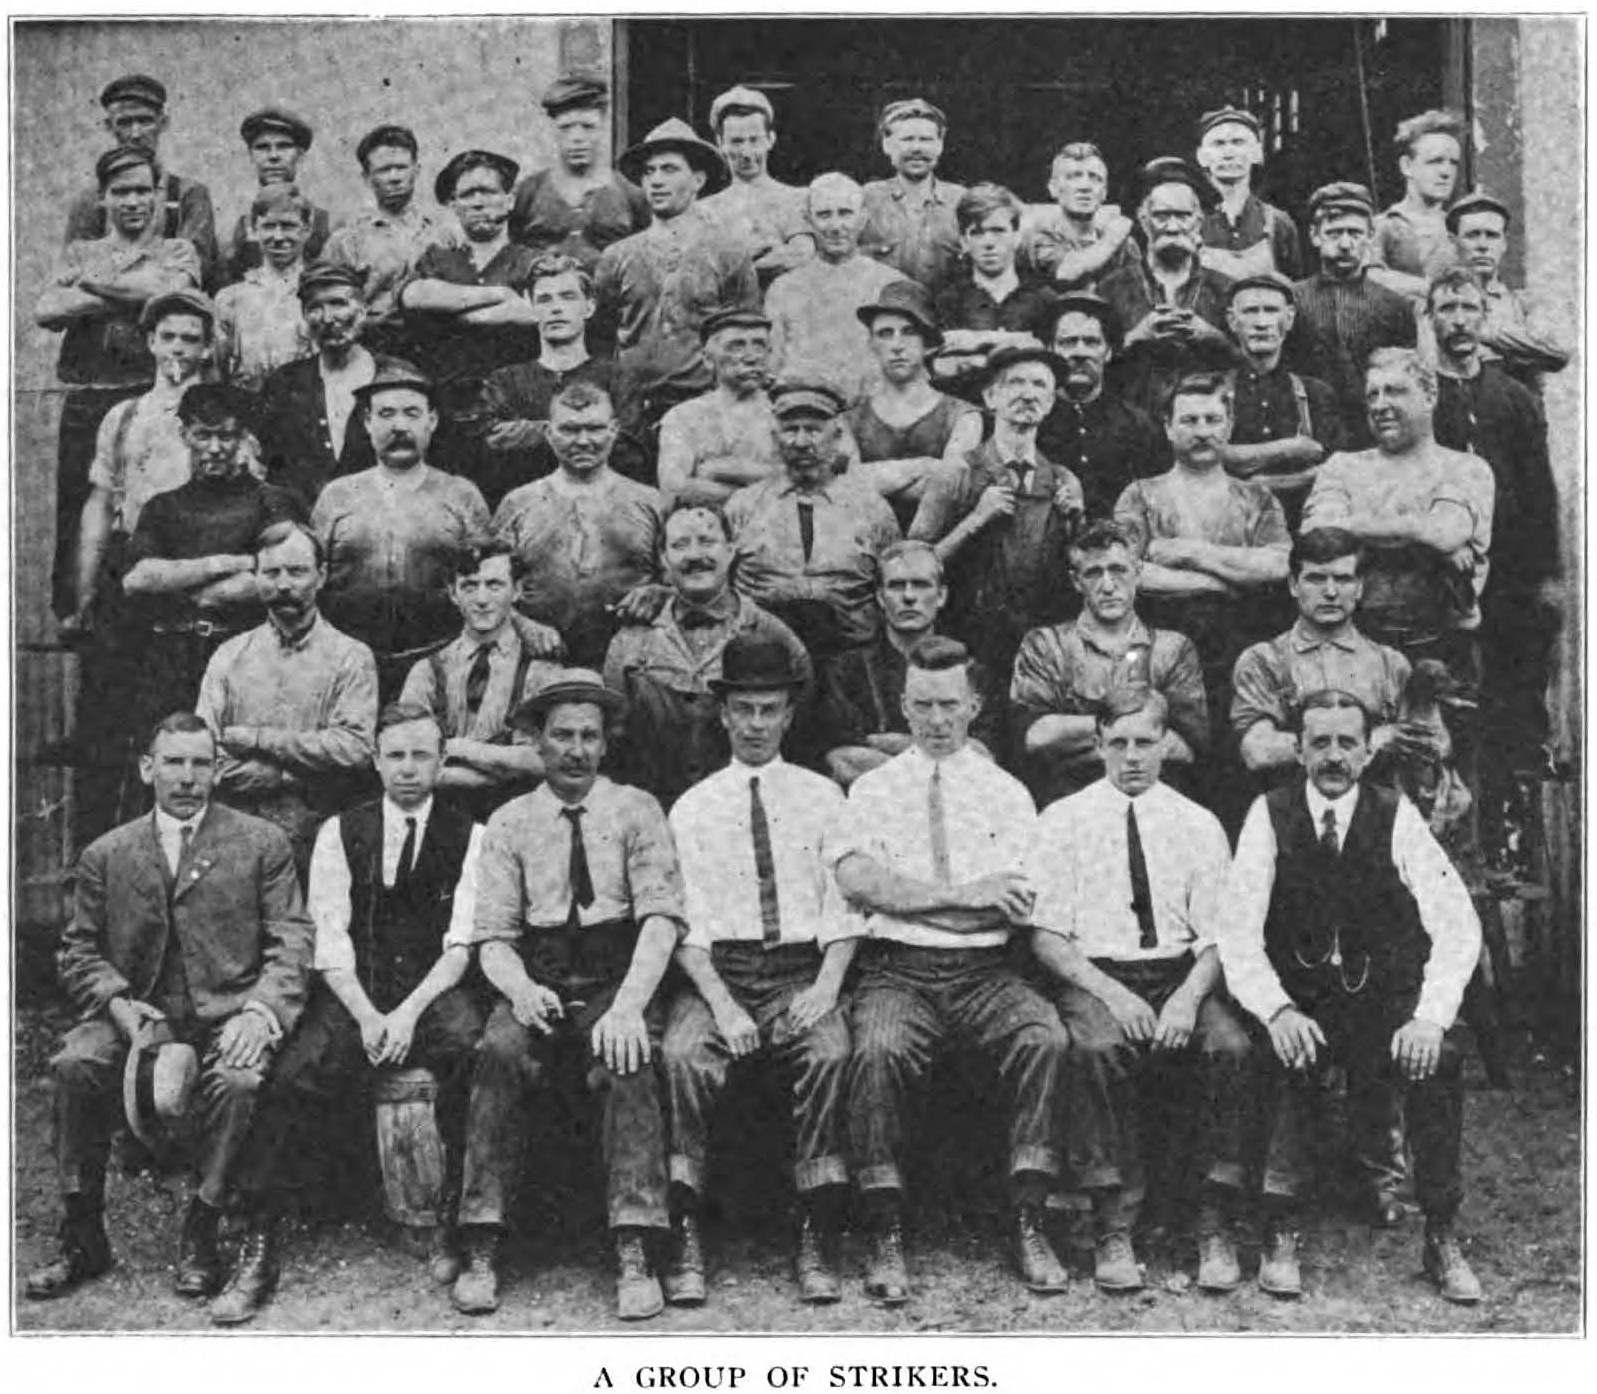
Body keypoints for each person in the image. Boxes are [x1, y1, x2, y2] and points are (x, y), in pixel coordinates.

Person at [24, 713, 312, 1326]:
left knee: (239, 1080)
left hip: (226, 1014)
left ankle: (202, 1227)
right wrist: (118, 1003)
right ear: (147, 769)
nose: (187, 777)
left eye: (200, 763)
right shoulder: (108, 852)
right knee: (75, 1064)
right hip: (138, 1014)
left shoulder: (261, 843)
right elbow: (78, 949)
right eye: (174, 763)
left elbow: (292, 942)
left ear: (217, 770)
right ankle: (82, 1234)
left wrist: (259, 1012)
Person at [1217, 690, 1485, 1305]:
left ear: (1368, 752)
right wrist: (1276, 1009)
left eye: (1347, 743)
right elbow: (1237, 931)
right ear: (1298, 750)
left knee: (1440, 1059)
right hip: (1303, 1001)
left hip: (1381, 1007)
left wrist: (1429, 1018)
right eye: (1320, 742)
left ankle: (1441, 1232)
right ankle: (1282, 1226)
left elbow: (1457, 923)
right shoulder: (1270, 813)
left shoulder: (1396, 814)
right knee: (1283, 1050)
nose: (1334, 756)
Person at [828, 636, 1071, 1303]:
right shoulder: (873, 789)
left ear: (974, 706)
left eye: (949, 705)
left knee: (1044, 1038)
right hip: (897, 969)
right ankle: (884, 1227)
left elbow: (1017, 899)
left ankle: (1029, 1217)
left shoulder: (1006, 793)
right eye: (923, 705)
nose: (936, 720)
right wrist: (963, 896)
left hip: (986, 969)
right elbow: (856, 879)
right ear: (904, 706)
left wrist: (910, 898)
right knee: (876, 1049)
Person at [451, 670, 687, 1320]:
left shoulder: (636, 809)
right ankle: (481, 1241)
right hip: (540, 973)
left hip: (617, 974)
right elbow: (493, 937)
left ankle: (635, 1247)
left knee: (626, 1058)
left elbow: (661, 919)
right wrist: (521, 989)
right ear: (537, 742)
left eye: (588, 736)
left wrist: (629, 1005)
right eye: (561, 736)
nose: (576, 750)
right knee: (500, 1051)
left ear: (605, 743)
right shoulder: (510, 821)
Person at [1027, 692, 1252, 1294]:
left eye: (1145, 743)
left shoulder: (1198, 824)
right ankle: (1113, 1223)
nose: (1131, 756)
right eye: (1118, 743)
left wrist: (1186, 999)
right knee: (1098, 1047)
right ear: (1097, 744)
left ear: (1166, 745)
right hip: (1096, 973)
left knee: (1228, 1047)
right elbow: (1047, 937)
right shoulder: (1063, 820)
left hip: (1179, 973)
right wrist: (1114, 994)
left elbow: (1219, 936)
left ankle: (1211, 1220)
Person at [660, 634, 860, 1306]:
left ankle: (816, 1229)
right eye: (743, 709)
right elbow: (685, 924)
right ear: (722, 715)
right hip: (720, 971)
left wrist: (825, 987)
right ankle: (685, 1231)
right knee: (683, 1054)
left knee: (829, 1051)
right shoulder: (693, 806)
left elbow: (843, 906)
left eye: (768, 709)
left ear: (788, 714)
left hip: (801, 969)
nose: (754, 724)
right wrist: (722, 1004)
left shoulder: (823, 798)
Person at [282, 701, 487, 1281]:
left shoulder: (472, 836)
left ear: (442, 761)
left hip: (434, 989)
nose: (408, 768)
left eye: (421, 755)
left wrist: (407, 1015)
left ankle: (453, 1214)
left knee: (470, 1052)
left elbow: (461, 945)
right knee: (299, 1066)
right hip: (359, 988)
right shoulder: (340, 831)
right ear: (375, 761)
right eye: (395, 755)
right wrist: (370, 1016)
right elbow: (329, 938)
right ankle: (292, 1209)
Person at [1425, 265, 1561, 845]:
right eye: (1447, 309)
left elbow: (1539, 489)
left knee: (1513, 679)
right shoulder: (1423, 394)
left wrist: (1548, 573)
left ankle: (1514, 819)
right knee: (1454, 688)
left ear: (1485, 317)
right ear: (1430, 318)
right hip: (1444, 567)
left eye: (1469, 309)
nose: (1459, 321)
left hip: (1510, 565)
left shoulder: (1514, 398)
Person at [38, 144, 202, 621]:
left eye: (143, 191)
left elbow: (170, 291)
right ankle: (76, 613)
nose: (133, 201)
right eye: (121, 191)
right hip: (89, 398)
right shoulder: (82, 251)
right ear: (103, 198)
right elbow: (47, 310)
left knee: (154, 502)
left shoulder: (176, 250)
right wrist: (130, 295)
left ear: (157, 195)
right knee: (81, 505)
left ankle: (149, 612)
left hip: (149, 396)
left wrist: (91, 286)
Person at [1114, 371, 1290, 776]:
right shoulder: (1140, 495)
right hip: (1158, 649)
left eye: (1212, 420)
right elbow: (1128, 571)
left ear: (1229, 425)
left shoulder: (1257, 497)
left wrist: (1188, 552)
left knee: (1235, 765)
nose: (1202, 431)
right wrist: (1222, 580)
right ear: (1167, 427)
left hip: (1242, 647)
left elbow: (1278, 564)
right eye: (1189, 420)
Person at [120, 383, 305, 740]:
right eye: (203, 435)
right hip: (170, 661)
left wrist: (182, 582)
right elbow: (139, 578)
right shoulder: (163, 507)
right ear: (184, 434)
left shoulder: (275, 502)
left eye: (227, 436)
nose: (215, 448)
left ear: (243, 437)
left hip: (249, 661)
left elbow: (279, 580)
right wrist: (228, 563)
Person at [195, 521, 379, 874]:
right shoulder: (229, 656)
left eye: (296, 572)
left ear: (321, 576)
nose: (283, 585)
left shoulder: (351, 657)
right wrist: (277, 774)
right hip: (236, 836)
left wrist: (261, 741)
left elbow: (355, 747)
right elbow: (204, 750)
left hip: (322, 837)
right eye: (271, 573)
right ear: (256, 577)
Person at [604, 498, 813, 808]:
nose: (694, 555)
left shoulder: (775, 636)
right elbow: (615, 739)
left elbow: (800, 730)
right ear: (663, 559)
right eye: (680, 545)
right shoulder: (630, 641)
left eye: (706, 541)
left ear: (731, 550)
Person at [1300, 349, 1494, 680]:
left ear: (1430, 396)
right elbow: (1318, 534)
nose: (1379, 405)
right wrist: (1418, 531)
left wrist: (1357, 532)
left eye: (1394, 391)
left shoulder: (1466, 468)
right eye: (1372, 395)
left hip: (1441, 651)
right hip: (1352, 648)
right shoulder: (1343, 466)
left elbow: (1444, 533)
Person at [909, 343, 1085, 707]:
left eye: (1039, 385)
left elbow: (1078, 575)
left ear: (1051, 402)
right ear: (991, 397)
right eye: (1016, 382)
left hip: (1037, 653)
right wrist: (975, 520)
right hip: (966, 644)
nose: (1028, 394)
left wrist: (1075, 524)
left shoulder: (1063, 480)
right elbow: (914, 566)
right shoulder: (956, 473)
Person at [310, 363, 493, 698]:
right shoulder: (336, 496)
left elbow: (488, 585)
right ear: (367, 422)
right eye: (386, 414)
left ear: (432, 421)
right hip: (349, 663)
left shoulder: (461, 495)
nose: (399, 426)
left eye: (412, 413)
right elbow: (311, 582)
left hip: (440, 663)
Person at [57, 286, 222, 644]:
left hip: (198, 571)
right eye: (168, 337)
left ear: (208, 348)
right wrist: (85, 592)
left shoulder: (225, 416)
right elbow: (100, 506)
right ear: (151, 342)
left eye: (190, 339)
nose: (177, 348)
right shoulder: (123, 416)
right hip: (130, 567)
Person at [1010, 520, 1207, 808]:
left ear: (1138, 572)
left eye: (1118, 570)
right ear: (1076, 581)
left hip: (1153, 806)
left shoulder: (1172, 649)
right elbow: (1037, 737)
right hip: (1070, 804)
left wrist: (1078, 739)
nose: (1107, 585)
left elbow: (1184, 748)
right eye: (1093, 573)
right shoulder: (1045, 645)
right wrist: (1141, 731)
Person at [597, 117, 758, 429]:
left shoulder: (728, 253)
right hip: (631, 410)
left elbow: (746, 335)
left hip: (704, 409)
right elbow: (600, 338)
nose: (656, 181)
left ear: (698, 180)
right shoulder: (617, 256)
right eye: (649, 171)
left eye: (669, 170)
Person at [492, 380, 666, 669]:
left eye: (595, 428)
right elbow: (485, 587)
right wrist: (522, 625)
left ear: (614, 430)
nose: (583, 441)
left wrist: (660, 593)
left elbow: (683, 580)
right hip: (539, 660)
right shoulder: (518, 504)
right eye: (570, 430)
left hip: (633, 662)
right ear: (549, 433)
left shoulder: (650, 502)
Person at [726, 379, 902, 665]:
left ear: (837, 437)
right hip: (762, 665)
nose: (801, 442)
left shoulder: (872, 509)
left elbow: (895, 588)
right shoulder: (743, 506)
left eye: (813, 430)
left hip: (851, 662)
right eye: (791, 430)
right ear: (775, 437)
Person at [398, 540, 565, 823]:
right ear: (453, 593)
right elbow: (410, 762)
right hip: (443, 820)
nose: (481, 599)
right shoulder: (427, 671)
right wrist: (503, 766)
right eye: (469, 586)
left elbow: (545, 762)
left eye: (494, 585)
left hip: (521, 818)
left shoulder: (541, 670)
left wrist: (458, 748)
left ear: (517, 590)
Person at [400, 149, 543, 474]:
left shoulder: (530, 261)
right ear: (454, 205)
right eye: (467, 194)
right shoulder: (438, 259)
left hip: (513, 411)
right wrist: (500, 295)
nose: (478, 202)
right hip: (446, 411)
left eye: (488, 191)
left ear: (509, 200)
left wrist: (457, 312)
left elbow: (537, 313)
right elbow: (414, 295)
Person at [1231, 528, 1413, 784]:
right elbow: (1257, 751)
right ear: (1294, 585)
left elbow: (1420, 744)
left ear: (1360, 587)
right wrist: (1374, 738)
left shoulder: (1391, 664)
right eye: (1316, 579)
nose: (1330, 592)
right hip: (1292, 802)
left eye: (1343, 579)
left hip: (1374, 801)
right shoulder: (1263, 660)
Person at [817, 540, 999, 788]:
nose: (909, 597)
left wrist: (885, 743)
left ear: (941, 596)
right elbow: (842, 760)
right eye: (896, 586)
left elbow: (983, 758)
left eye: (921, 585)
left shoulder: (969, 669)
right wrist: (939, 752)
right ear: (880, 597)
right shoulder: (847, 669)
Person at [479, 253, 644, 505]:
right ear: (530, 306)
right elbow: (492, 445)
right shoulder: (504, 381)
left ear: (589, 306)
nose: (556, 308)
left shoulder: (618, 378)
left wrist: (530, 432)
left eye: (568, 297)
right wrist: (582, 431)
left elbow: (629, 450)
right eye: (544, 299)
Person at [256, 262, 407, 507]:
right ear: (304, 316)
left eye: (338, 304)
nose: (327, 318)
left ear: (363, 310)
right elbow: (271, 473)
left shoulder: (396, 378)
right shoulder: (284, 383)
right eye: (315, 307)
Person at [1098, 157, 1238, 419]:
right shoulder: (1111, 289)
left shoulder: (1225, 289)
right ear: (1143, 220)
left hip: (1203, 425)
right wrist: (1134, 338)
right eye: (1162, 216)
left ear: (1199, 221)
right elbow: (1091, 364)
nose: (1173, 227)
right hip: (1131, 424)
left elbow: (1251, 364)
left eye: (1183, 216)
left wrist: (1213, 337)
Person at [845, 279, 982, 529]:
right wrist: (924, 466)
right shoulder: (851, 420)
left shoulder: (962, 416)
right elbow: (845, 488)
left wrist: (876, 479)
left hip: (943, 546)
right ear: (871, 344)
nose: (897, 345)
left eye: (909, 332)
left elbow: (951, 488)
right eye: (885, 334)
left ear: (928, 344)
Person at [1291, 182, 1418, 449]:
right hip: (1309, 432)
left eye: (1355, 233)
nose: (1346, 244)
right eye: (1334, 233)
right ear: (1314, 235)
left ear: (1370, 235)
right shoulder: (1293, 300)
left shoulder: (1394, 305)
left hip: (1374, 434)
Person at [62, 74, 219, 288]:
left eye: (145, 121)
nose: (135, 134)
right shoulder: (90, 201)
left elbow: (196, 271)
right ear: (109, 126)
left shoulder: (188, 194)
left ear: (163, 123)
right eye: (125, 123)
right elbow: (74, 272)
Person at [764, 172, 906, 405]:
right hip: (807, 413)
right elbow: (772, 369)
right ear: (808, 220)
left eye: (845, 213)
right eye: (824, 215)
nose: (836, 226)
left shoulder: (891, 284)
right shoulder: (783, 290)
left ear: (863, 218)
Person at [321, 124, 459, 359]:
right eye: (384, 170)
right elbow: (327, 302)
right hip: (372, 352)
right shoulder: (347, 240)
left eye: (401, 168)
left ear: (416, 170)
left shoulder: (442, 234)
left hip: (437, 352)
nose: (394, 178)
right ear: (367, 178)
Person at [1221, 272, 1345, 528]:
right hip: (1233, 522)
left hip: (1302, 522)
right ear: (1232, 321)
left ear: (1289, 319)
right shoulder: (1213, 391)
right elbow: (1203, 458)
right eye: (1250, 311)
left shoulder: (1316, 393)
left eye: (1271, 310)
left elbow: (1335, 470)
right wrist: (1292, 448)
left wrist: (1254, 478)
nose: (1261, 323)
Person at [1035, 293, 1172, 521]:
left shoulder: (1140, 425)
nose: (1080, 352)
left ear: (1108, 352)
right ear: (1050, 350)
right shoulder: (1033, 421)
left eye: (1091, 342)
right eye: (1068, 342)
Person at [508, 75, 649, 268]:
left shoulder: (630, 194)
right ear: (552, 129)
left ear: (603, 127)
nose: (577, 137)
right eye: (565, 128)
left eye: (588, 127)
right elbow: (510, 253)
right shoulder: (528, 192)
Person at [1445, 188, 1572, 390]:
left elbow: (1559, 351)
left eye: (1492, 236)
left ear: (1504, 243)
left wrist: (1484, 331)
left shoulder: (1524, 303)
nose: (1482, 245)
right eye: (1472, 235)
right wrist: (1519, 348)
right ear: (1453, 242)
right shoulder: (1440, 303)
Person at [656, 307, 784, 504]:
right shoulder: (684, 417)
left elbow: (810, 479)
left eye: (759, 346)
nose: (751, 357)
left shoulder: (785, 412)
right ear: (708, 359)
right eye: (737, 347)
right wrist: (759, 488)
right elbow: (673, 488)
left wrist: (716, 470)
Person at [698, 84, 814, 287]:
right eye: (736, 141)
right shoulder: (704, 210)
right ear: (720, 143)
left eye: (754, 140)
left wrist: (732, 266)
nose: (746, 152)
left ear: (771, 139)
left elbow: (801, 256)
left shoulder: (798, 199)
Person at [213, 184, 317, 392]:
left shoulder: (320, 293)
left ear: (307, 230)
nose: (278, 237)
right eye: (269, 226)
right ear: (254, 230)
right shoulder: (231, 299)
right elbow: (220, 369)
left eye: (288, 226)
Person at [858, 98, 966, 298]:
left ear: (940, 145)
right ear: (887, 145)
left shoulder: (962, 201)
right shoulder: (865, 200)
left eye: (926, 140)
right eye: (907, 139)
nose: (917, 148)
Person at [934, 182, 1058, 348]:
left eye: (998, 231)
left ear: (1017, 236)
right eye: (977, 233)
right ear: (964, 242)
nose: (989, 242)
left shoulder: (1045, 300)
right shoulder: (949, 302)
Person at [220, 106, 330, 284]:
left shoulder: (322, 221)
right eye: (262, 148)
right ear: (251, 155)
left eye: (283, 146)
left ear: (300, 154)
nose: (273, 156)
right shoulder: (237, 224)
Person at [1194, 105, 1302, 281]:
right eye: (1218, 144)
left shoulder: (1278, 223)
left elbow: (1294, 289)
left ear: (1257, 152)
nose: (1228, 153)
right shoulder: (1190, 222)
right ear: (1201, 156)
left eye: (1238, 142)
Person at [1368, 110, 1466, 300]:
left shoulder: (1458, 229)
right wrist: (1432, 289)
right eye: (1435, 161)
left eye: (1453, 163)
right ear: (1406, 166)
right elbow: (1370, 277)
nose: (1446, 172)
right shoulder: (1383, 225)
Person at [1018, 142, 1138, 292]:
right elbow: (1066, 273)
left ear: (1104, 192)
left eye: (1095, 178)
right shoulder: (1036, 239)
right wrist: (1112, 238)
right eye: (1073, 177)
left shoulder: (1125, 247)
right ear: (1053, 188)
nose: (1085, 186)